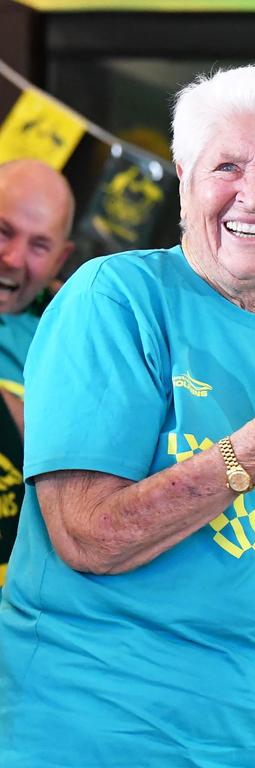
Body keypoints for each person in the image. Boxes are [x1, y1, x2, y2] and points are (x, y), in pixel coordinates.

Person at [0, 63, 255, 767]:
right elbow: (88, 538)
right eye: (227, 165)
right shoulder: (116, 297)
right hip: (103, 740)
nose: (254, 195)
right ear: (186, 180)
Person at [0, 159, 75, 587]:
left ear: (61, 258)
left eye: (38, 246)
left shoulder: (70, 332)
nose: (12, 259)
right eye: (3, 231)